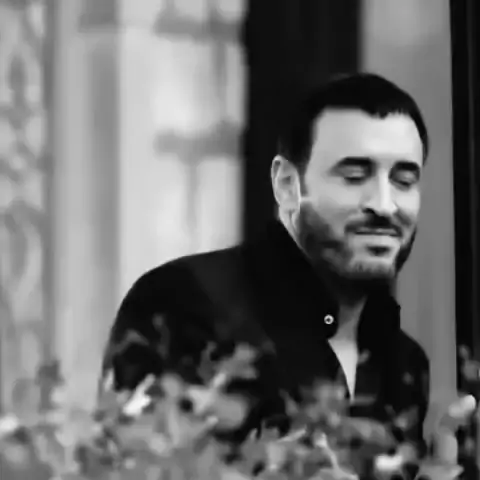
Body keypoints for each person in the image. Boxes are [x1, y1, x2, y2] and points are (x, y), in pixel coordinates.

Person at [101, 73, 431, 462]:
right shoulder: (183, 303)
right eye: (355, 176)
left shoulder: (404, 363)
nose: (385, 204)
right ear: (287, 185)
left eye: (404, 181)